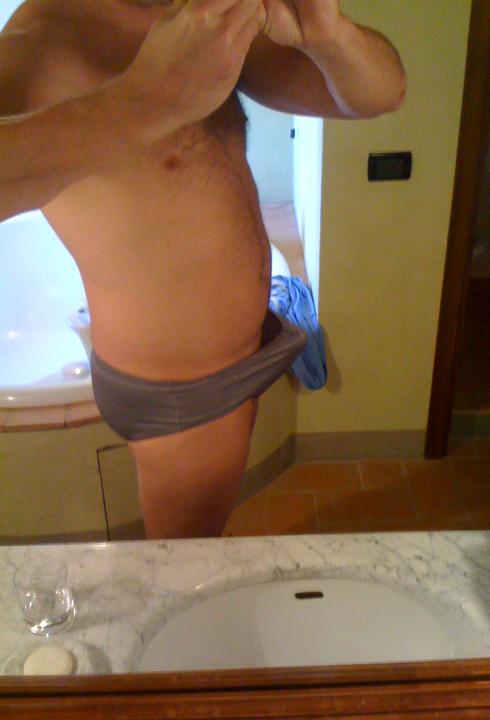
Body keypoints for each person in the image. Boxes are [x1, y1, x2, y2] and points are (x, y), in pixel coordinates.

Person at [0, 0, 406, 539]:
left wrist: (329, 34)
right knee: (184, 568)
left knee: (201, 544)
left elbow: (382, 94)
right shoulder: (37, 43)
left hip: (230, 361)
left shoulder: (190, 16)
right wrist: (142, 102)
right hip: (181, 392)